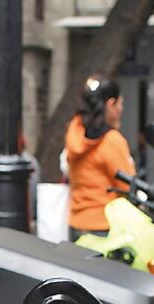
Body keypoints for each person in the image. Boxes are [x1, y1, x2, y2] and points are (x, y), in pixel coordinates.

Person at [65, 75, 135, 239]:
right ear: (111, 104)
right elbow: (127, 187)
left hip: (76, 225)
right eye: (120, 103)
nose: (121, 109)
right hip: (104, 226)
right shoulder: (111, 141)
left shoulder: (74, 132)